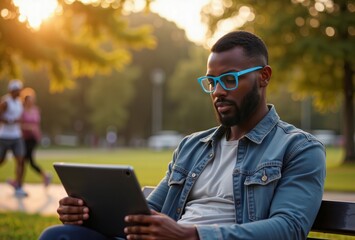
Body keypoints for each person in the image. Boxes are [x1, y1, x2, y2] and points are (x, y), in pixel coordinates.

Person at [39, 31, 326, 240]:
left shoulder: (298, 148)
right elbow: (148, 211)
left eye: (229, 79)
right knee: (60, 236)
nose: (218, 92)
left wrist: (192, 234)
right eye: (211, 82)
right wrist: (89, 214)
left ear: (263, 77)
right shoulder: (192, 146)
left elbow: (289, 228)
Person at [0, 79, 27, 197]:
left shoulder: (19, 103)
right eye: (16, 90)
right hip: (4, 136)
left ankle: (19, 186)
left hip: (16, 135)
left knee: (20, 160)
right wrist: (10, 120)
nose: (18, 92)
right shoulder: (6, 102)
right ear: (11, 91)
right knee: (1, 160)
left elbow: (20, 117)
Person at [20, 88, 52, 187]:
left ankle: (19, 183)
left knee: (25, 160)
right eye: (28, 100)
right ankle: (45, 175)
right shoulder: (21, 111)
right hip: (24, 138)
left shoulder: (35, 110)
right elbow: (19, 124)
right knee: (27, 161)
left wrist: (32, 129)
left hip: (33, 138)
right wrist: (28, 127)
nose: (30, 102)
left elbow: (36, 124)